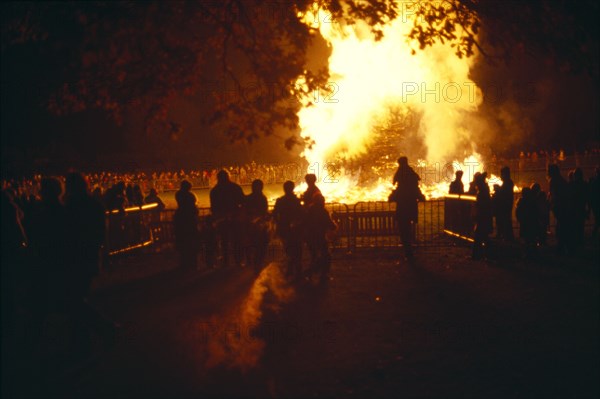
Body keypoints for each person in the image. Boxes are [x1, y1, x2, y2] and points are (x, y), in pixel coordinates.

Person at [63, 172, 116, 359]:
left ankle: (104, 330)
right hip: (90, 256)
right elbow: (102, 233)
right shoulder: (95, 205)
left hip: (75, 258)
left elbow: (68, 235)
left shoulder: (71, 207)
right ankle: (82, 343)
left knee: (74, 301)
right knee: (77, 299)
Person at [390, 156, 425, 260]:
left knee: (404, 230)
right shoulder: (411, 174)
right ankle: (409, 251)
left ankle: (408, 251)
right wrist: (420, 197)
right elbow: (416, 189)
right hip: (410, 206)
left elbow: (398, 189)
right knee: (407, 229)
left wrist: (392, 196)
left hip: (402, 208)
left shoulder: (401, 174)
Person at [210, 170, 245, 267]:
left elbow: (214, 207)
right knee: (236, 240)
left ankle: (226, 262)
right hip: (234, 218)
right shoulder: (235, 188)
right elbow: (242, 201)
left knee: (224, 241)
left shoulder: (215, 191)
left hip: (222, 219)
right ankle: (238, 261)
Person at [273, 181, 304, 281]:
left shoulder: (281, 200)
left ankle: (292, 270)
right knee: (296, 250)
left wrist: (279, 224)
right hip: (294, 228)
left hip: (285, 228)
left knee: (289, 249)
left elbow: (275, 213)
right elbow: (300, 214)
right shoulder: (295, 200)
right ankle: (296, 270)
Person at [304, 194, 336, 284]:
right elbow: (330, 225)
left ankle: (310, 274)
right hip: (319, 237)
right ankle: (321, 274)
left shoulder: (309, 210)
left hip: (310, 237)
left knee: (314, 256)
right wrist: (334, 224)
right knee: (326, 256)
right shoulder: (322, 211)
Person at [244, 179, 269, 272]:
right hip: (258, 225)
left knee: (251, 243)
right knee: (260, 244)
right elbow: (264, 211)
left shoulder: (248, 198)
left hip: (252, 225)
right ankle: (257, 262)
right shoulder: (262, 198)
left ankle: (251, 261)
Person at [173, 180, 200, 269]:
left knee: (182, 240)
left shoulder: (178, 194)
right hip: (189, 220)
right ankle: (192, 262)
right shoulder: (190, 196)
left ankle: (184, 262)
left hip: (180, 219)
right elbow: (194, 206)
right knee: (191, 240)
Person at [547, 164, 570, 255]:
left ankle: (562, 246)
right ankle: (563, 245)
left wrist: (551, 204)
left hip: (560, 206)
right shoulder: (561, 180)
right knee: (562, 225)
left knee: (561, 226)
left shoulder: (554, 181)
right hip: (563, 205)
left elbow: (554, 195)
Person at [472, 172, 493, 260]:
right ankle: (484, 255)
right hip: (484, 216)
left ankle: (479, 255)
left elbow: (482, 204)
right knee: (483, 236)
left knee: (479, 236)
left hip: (483, 216)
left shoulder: (482, 191)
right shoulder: (483, 189)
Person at [516, 187, 539, 259]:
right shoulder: (533, 201)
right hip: (531, 222)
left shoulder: (521, 201)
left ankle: (527, 253)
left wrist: (520, 219)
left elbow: (518, 212)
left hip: (525, 222)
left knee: (526, 239)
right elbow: (536, 211)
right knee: (532, 238)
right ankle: (533, 252)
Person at [493, 166, 514, 241]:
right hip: (504, 205)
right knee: (503, 220)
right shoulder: (507, 182)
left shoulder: (508, 183)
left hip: (505, 205)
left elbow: (504, 193)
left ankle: (506, 236)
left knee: (505, 220)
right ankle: (503, 235)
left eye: (502, 174)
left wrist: (498, 189)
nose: (501, 176)